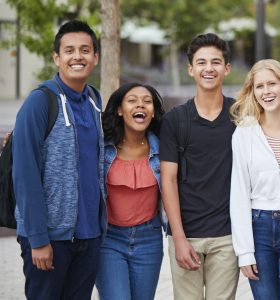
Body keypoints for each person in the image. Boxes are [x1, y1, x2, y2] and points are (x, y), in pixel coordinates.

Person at [12, 20, 106, 299]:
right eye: (69, 50)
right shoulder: (40, 102)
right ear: (57, 57)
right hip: (49, 237)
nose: (78, 56)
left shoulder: (94, 101)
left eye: (85, 50)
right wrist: (38, 238)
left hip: (89, 237)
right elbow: (25, 174)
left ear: (95, 57)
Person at [159, 33, 239, 299]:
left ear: (226, 69)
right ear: (191, 69)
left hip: (227, 236)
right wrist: (178, 239)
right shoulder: (176, 120)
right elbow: (168, 180)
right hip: (186, 234)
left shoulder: (241, 116)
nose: (209, 68)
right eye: (201, 62)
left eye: (216, 62)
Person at [229, 59, 280, 300]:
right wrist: (244, 252)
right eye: (259, 86)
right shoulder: (244, 132)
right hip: (259, 229)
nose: (266, 91)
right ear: (253, 92)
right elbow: (239, 193)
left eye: (272, 84)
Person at [95, 83, 166, 300]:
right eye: (132, 100)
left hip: (149, 239)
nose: (140, 105)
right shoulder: (102, 145)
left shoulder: (163, 148)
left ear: (153, 112)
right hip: (109, 240)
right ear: (119, 109)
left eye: (147, 101)